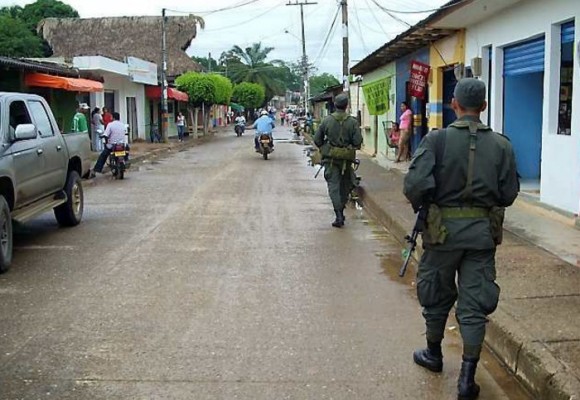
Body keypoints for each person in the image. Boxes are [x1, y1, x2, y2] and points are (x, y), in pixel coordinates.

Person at [403, 78, 519, 400]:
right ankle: (467, 380)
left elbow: (414, 185)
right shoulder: (501, 145)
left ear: (453, 104)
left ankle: (433, 354)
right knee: (473, 305)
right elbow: (508, 194)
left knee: (436, 294)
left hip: (441, 236)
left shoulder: (435, 141)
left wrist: (428, 207)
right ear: (483, 106)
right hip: (482, 236)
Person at [313, 93, 363, 228]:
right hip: (347, 160)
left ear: (335, 105)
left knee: (334, 188)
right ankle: (341, 210)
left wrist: (326, 147)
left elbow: (317, 140)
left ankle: (339, 215)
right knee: (346, 186)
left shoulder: (327, 120)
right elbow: (358, 141)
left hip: (331, 160)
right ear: (346, 106)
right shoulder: (352, 122)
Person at [89, 112, 129, 178]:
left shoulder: (110, 125)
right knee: (127, 151)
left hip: (112, 145)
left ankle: (95, 171)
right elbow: (125, 132)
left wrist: (103, 136)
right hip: (122, 145)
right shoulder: (122, 125)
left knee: (103, 156)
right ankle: (126, 160)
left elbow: (106, 134)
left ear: (113, 117)